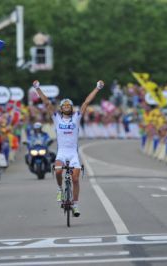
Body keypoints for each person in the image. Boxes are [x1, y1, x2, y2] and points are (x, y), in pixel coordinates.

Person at [33, 79, 105, 217]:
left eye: (68, 105)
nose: (66, 106)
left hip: (73, 154)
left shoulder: (77, 117)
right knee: (59, 172)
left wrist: (97, 88)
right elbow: (47, 103)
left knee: (75, 179)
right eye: (64, 105)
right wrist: (37, 88)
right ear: (61, 108)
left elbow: (86, 102)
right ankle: (60, 189)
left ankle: (75, 205)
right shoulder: (56, 118)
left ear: (71, 108)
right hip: (61, 152)